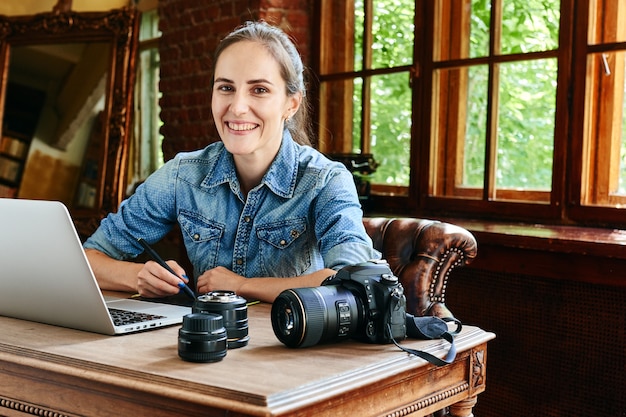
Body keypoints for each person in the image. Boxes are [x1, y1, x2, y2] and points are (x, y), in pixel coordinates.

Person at [83, 21, 380, 303]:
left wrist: (241, 286)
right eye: (226, 87)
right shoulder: (182, 176)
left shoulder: (325, 181)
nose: (237, 107)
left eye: (259, 90)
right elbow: (89, 259)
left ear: (291, 103)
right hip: (206, 348)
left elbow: (355, 283)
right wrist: (137, 276)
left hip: (292, 349)